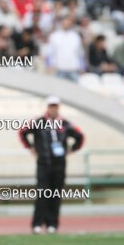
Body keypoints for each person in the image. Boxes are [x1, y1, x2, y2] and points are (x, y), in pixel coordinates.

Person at [19, 96, 84, 234]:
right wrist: (30, 147)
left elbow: (80, 136)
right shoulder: (38, 122)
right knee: (42, 193)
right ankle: (37, 223)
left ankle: (52, 224)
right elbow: (22, 132)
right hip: (43, 163)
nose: (53, 108)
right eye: (51, 106)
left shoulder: (65, 123)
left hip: (59, 165)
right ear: (47, 107)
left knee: (56, 194)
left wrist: (71, 150)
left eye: (55, 106)